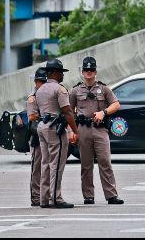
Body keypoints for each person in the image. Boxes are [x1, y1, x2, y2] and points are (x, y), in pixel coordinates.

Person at [69, 57, 124, 206]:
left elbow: (116, 104)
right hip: (83, 129)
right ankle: (88, 196)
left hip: (100, 129)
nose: (89, 73)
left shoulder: (104, 88)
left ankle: (111, 195)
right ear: (82, 72)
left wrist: (104, 112)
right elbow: (68, 112)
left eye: (91, 70)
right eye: (86, 70)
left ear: (95, 72)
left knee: (105, 161)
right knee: (86, 165)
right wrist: (71, 131)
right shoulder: (75, 90)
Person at [35, 59, 79, 209]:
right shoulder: (59, 89)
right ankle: (56, 198)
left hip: (42, 125)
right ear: (54, 72)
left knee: (45, 163)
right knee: (57, 164)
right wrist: (75, 130)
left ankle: (44, 199)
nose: (62, 75)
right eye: (61, 72)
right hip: (55, 127)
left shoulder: (40, 89)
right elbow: (67, 111)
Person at [27, 68, 47, 207]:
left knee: (49, 166)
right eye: (40, 82)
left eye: (44, 81)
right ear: (35, 82)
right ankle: (35, 197)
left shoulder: (49, 96)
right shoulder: (32, 97)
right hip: (36, 135)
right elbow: (32, 116)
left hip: (49, 134)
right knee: (37, 167)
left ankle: (46, 195)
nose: (42, 84)